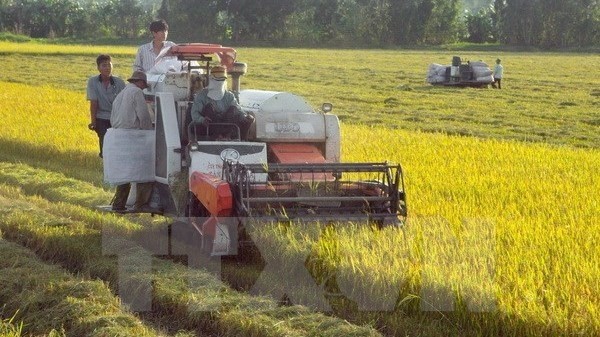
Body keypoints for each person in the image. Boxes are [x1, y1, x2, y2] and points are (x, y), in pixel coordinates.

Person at [109, 71, 155, 212]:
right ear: (140, 82)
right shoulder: (136, 92)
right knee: (144, 170)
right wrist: (150, 131)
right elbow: (143, 116)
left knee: (125, 173)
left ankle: (119, 203)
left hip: (119, 136)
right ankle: (141, 204)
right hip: (133, 136)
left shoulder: (122, 93)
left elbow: (112, 118)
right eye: (143, 85)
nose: (143, 88)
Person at [190, 65, 254, 140]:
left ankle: (226, 137)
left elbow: (238, 110)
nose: (220, 82)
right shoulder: (201, 96)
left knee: (233, 109)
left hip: (227, 127)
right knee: (209, 107)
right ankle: (218, 136)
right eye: (217, 79)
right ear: (211, 79)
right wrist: (202, 119)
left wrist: (246, 116)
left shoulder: (229, 96)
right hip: (207, 127)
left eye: (222, 79)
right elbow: (194, 114)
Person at [86, 54, 126, 157]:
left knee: (117, 145)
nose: (107, 68)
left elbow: (125, 102)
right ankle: (105, 165)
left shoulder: (119, 83)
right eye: (104, 65)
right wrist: (93, 122)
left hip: (117, 118)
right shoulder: (93, 82)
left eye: (109, 65)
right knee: (104, 143)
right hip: (101, 117)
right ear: (98, 68)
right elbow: (94, 103)